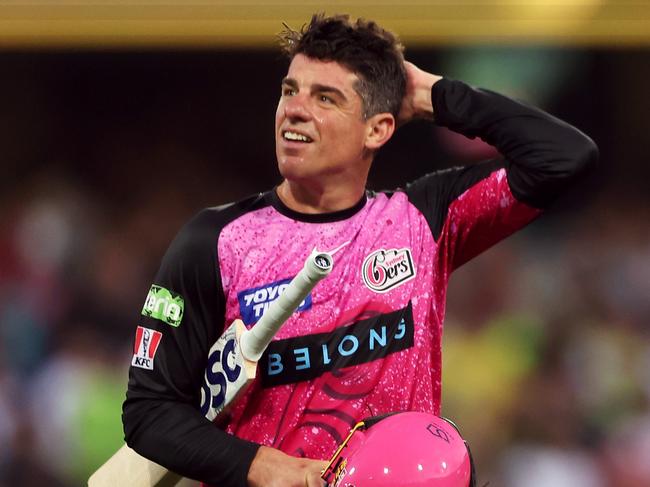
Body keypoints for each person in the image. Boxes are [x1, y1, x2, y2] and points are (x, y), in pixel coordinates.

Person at [122, 13, 598, 487]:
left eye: (325, 97)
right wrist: (265, 466)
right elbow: (149, 412)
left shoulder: (424, 220)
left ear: (378, 129)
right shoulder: (215, 241)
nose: (295, 109)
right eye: (290, 90)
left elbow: (563, 156)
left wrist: (435, 95)